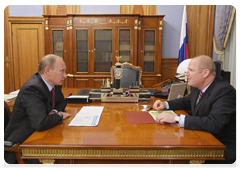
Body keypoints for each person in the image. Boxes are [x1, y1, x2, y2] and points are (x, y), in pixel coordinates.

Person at [153, 55, 238, 168]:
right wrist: (165, 104)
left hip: (221, 148)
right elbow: (186, 101)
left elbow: (214, 123)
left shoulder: (224, 91)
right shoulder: (198, 87)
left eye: (191, 70)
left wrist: (176, 118)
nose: (186, 74)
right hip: (202, 138)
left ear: (205, 73)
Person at [4, 54, 71, 168]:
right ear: (48, 70)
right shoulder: (32, 89)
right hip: (22, 147)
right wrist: (59, 115)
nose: (65, 75)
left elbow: (61, 103)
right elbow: (40, 123)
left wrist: (53, 112)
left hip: (39, 137)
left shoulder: (54, 83)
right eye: (62, 71)